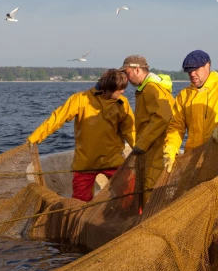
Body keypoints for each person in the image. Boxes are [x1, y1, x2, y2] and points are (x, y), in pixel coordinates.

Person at [27, 69, 135, 202]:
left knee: (130, 195)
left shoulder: (122, 103)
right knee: (80, 202)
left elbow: (130, 130)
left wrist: (140, 150)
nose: (123, 92)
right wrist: (34, 138)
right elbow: (57, 119)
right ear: (110, 88)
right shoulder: (80, 99)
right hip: (85, 163)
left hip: (113, 160)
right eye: (120, 89)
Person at [119, 55, 174, 202]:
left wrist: (141, 144)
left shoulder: (151, 89)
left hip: (156, 152)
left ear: (137, 69)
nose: (127, 77)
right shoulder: (149, 88)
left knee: (151, 194)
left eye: (127, 72)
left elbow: (163, 117)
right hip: (153, 151)